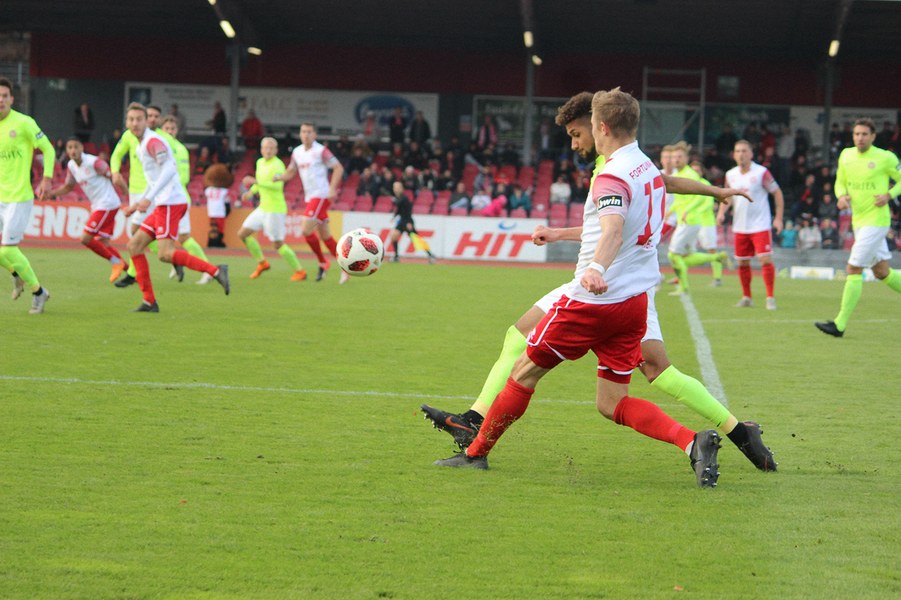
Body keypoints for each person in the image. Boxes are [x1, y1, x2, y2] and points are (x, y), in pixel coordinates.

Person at [428, 90, 773, 483]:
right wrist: (716, 191)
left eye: (585, 129)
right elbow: (641, 200)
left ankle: (475, 452)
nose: (579, 139)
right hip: (633, 303)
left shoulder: (610, 175)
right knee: (611, 401)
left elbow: (611, 230)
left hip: (596, 298)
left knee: (524, 371)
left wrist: (595, 268)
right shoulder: (642, 165)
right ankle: (694, 443)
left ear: (602, 127)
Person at [119, 102, 229, 312]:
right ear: (126, 122)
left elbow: (170, 169)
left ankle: (215, 271)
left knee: (165, 254)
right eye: (131, 119)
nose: (135, 123)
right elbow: (154, 179)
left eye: (139, 119)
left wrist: (148, 199)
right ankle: (149, 301)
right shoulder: (141, 145)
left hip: (171, 202)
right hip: (163, 203)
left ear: (146, 122)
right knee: (134, 246)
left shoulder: (152, 141)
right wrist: (138, 203)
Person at [815, 118, 901, 337]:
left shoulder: (885, 157)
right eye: (857, 134)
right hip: (859, 221)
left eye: (864, 134)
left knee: (853, 268)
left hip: (877, 221)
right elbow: (840, 181)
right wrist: (841, 196)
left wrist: (889, 194)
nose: (860, 138)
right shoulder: (846, 155)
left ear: (873, 136)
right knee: (881, 272)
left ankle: (839, 325)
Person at [0, 77, 54, 314]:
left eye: (4, 96)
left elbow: (48, 149)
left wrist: (47, 178)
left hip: (19, 197)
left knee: (7, 250)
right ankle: (17, 273)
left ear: (12, 99)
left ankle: (39, 292)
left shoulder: (24, 123)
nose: (1, 100)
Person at [46, 138, 128, 283]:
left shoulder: (94, 162)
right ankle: (132, 273)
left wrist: (127, 195)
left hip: (107, 204)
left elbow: (114, 177)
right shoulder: (71, 165)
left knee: (85, 238)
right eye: (70, 147)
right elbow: (69, 187)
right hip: (97, 205)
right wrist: (51, 193)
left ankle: (116, 262)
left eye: (76, 147)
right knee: (103, 243)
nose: (73, 150)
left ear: (82, 148)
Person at [718, 139, 784, 310]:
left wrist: (778, 218)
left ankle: (770, 297)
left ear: (751, 154)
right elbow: (728, 196)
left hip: (760, 224)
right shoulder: (730, 174)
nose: (741, 154)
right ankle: (747, 297)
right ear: (734, 155)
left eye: (744, 151)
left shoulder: (761, 173)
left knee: (764, 259)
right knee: (742, 262)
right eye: (738, 151)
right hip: (740, 225)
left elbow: (777, 193)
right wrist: (721, 212)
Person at [277, 122, 346, 282]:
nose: (306, 135)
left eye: (309, 132)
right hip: (310, 197)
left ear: (315, 134)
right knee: (326, 236)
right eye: (303, 131)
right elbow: (291, 171)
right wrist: (279, 177)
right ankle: (345, 266)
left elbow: (338, 168)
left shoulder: (321, 151)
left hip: (321, 195)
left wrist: (332, 189)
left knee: (306, 229)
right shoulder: (297, 152)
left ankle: (323, 262)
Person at [238, 137, 309, 282]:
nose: (268, 150)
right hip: (262, 208)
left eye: (271, 148)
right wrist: (250, 192)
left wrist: (255, 181)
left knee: (277, 244)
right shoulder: (260, 162)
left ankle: (300, 271)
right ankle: (262, 263)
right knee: (243, 234)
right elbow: (259, 183)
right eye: (265, 148)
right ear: (261, 149)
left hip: (275, 209)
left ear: (276, 150)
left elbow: (276, 185)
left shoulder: (278, 165)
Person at [667, 142, 729, 295]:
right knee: (685, 256)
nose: (676, 160)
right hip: (687, 220)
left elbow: (701, 197)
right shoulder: (677, 175)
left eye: (679, 157)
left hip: (690, 220)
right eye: (674, 157)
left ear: (686, 158)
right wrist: (669, 211)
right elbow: (680, 200)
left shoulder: (690, 175)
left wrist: (687, 210)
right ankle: (716, 257)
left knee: (673, 254)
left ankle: (684, 286)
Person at [387, 181, 435, 263]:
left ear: (401, 189)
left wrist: (409, 222)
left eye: (397, 187)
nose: (395, 189)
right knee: (393, 236)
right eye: (394, 187)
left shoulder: (404, 198)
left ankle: (430, 255)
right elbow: (399, 210)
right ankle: (396, 256)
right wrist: (394, 217)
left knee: (416, 239)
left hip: (407, 221)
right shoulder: (399, 198)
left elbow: (409, 211)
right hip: (402, 221)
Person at [203, 163, 232, 250]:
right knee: (220, 229)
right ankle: (218, 243)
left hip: (211, 212)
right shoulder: (224, 191)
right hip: (220, 213)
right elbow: (227, 202)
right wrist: (228, 210)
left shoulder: (208, 190)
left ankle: (211, 243)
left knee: (212, 228)